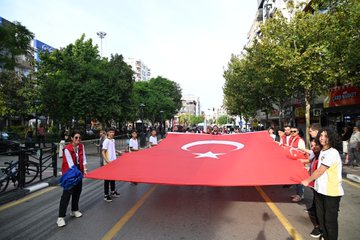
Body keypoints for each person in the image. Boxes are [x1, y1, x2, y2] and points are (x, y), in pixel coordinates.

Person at [302, 127, 344, 240]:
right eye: (321, 136)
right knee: (321, 218)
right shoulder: (322, 151)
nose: (322, 138)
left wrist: (307, 180)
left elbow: (320, 170)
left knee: (330, 221)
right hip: (319, 190)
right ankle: (325, 236)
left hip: (331, 193)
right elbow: (312, 160)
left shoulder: (332, 153)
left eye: (326, 136)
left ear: (331, 138)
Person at [57, 131, 87, 227]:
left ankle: (74, 210)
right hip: (70, 173)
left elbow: (84, 159)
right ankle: (60, 217)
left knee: (77, 191)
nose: (78, 139)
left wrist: (85, 169)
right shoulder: (67, 149)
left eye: (79, 138)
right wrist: (79, 174)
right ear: (72, 138)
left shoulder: (81, 147)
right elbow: (70, 164)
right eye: (76, 137)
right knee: (66, 195)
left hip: (78, 171)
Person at [102, 128, 121, 202]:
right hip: (108, 162)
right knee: (107, 179)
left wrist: (117, 151)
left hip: (113, 161)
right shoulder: (106, 141)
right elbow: (103, 152)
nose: (112, 133)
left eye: (113, 132)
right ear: (107, 133)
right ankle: (106, 195)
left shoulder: (113, 140)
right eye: (110, 132)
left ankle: (113, 191)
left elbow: (112, 149)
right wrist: (107, 161)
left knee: (113, 177)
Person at [289, 126, 306, 202]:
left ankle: (300, 195)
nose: (292, 133)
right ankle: (297, 193)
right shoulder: (292, 139)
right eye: (291, 131)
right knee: (296, 179)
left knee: (299, 179)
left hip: (299, 162)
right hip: (293, 162)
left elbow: (302, 152)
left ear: (298, 132)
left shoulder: (300, 141)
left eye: (294, 131)